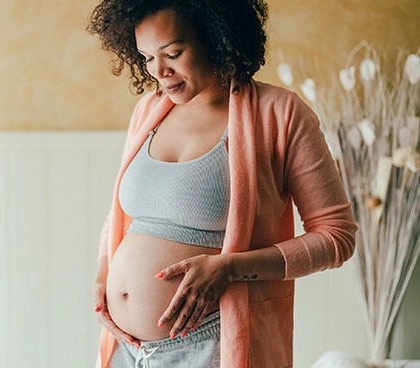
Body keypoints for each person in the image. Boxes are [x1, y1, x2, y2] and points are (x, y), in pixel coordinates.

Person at [86, 0, 358, 367]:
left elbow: (336, 236)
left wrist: (229, 269)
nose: (159, 71)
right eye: (147, 57)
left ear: (216, 37)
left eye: (173, 53)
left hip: (210, 345)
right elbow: (122, 214)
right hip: (127, 349)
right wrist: (105, 272)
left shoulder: (280, 113)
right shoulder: (148, 110)